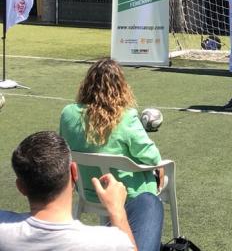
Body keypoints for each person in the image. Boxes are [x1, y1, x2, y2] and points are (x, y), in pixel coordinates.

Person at [60, 58, 164, 251]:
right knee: (161, 174)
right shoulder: (127, 117)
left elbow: (64, 148)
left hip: (87, 190)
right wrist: (159, 165)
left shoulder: (67, 114)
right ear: (121, 87)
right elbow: (151, 156)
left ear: (87, 84)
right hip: (130, 195)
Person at [0, 131, 141, 250]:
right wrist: (117, 211)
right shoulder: (107, 243)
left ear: (21, 187)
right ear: (74, 172)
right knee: (147, 203)